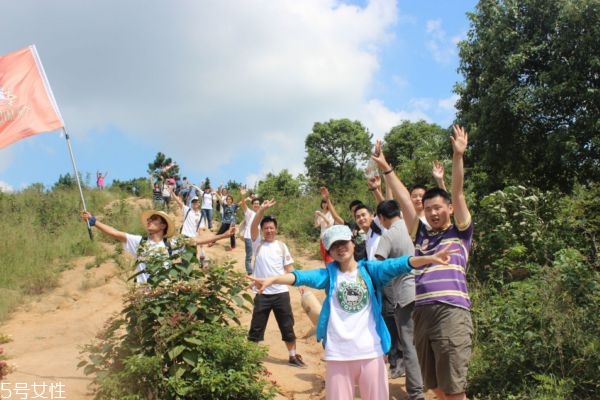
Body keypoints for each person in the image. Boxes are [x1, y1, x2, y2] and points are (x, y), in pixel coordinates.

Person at [249, 224, 456, 400]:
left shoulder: (370, 271)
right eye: (334, 246)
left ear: (352, 243)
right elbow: (300, 276)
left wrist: (428, 258)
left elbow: (398, 264)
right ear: (329, 252)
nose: (340, 248)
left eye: (343, 243)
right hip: (338, 355)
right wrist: (273, 280)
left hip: (371, 353)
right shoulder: (328, 276)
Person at [372, 124, 474, 400]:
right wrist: (386, 168)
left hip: (450, 311)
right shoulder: (422, 235)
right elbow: (405, 200)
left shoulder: (460, 232)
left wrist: (457, 156)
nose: (433, 212)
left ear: (449, 209)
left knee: (454, 389)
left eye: (438, 207)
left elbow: (458, 192)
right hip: (422, 312)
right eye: (428, 209)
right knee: (436, 387)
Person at [81, 209, 233, 283]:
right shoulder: (139, 242)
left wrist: (224, 235)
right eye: (149, 219)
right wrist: (94, 222)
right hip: (143, 295)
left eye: (154, 220)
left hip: (163, 294)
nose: (149, 221)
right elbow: (116, 233)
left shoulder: (170, 244)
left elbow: (196, 241)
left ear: (163, 226)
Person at [247, 198, 306, 368]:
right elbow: (253, 226)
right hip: (262, 293)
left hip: (281, 292)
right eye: (265, 228)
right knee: (256, 327)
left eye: (271, 228)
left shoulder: (282, 246)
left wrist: (299, 281)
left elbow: (289, 267)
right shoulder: (257, 242)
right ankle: (250, 358)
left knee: (287, 326)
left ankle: (293, 356)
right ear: (262, 230)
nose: (269, 230)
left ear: (276, 229)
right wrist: (261, 210)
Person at [375, 199, 424, 400]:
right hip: (425, 289)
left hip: (405, 294)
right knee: (424, 342)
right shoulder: (413, 225)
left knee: (409, 344)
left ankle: (416, 393)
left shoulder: (388, 235)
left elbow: (377, 267)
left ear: (381, 218)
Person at [239, 187, 260, 275]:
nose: (256, 205)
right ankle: (250, 272)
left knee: (258, 255)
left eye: (258, 203)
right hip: (248, 236)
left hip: (258, 238)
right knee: (249, 255)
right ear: (252, 205)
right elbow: (243, 205)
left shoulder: (261, 214)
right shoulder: (249, 213)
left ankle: (258, 270)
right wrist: (243, 196)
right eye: (255, 203)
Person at [314, 196, 335, 264]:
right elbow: (316, 225)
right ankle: (328, 272)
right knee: (324, 257)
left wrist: (321, 215)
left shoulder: (331, 213)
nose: (324, 204)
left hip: (329, 237)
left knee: (329, 257)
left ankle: (332, 272)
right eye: (323, 203)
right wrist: (316, 217)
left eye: (326, 203)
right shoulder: (322, 213)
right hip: (322, 237)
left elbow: (329, 224)